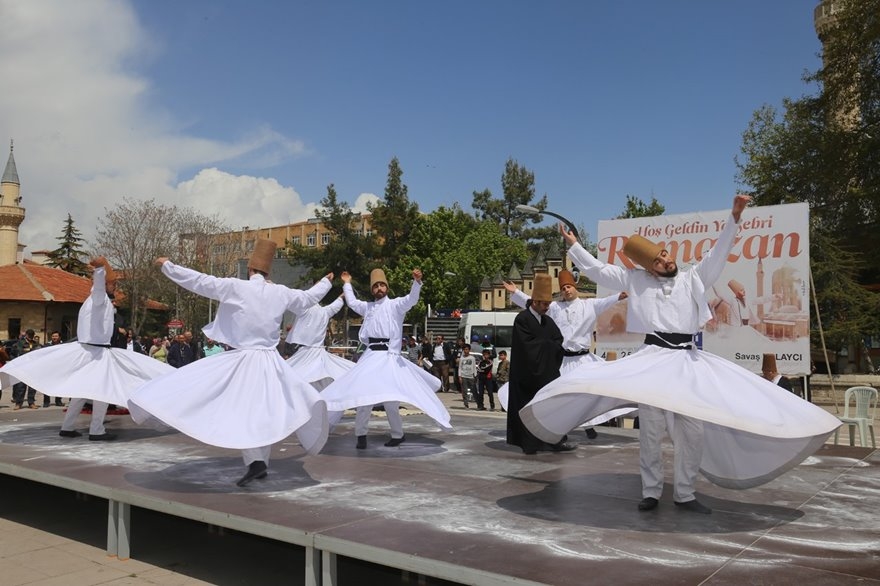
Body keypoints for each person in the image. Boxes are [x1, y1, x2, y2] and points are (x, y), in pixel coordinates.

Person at [520, 195, 840, 514]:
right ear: (649, 268)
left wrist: (735, 216)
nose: (665, 261)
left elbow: (719, 253)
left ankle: (685, 493)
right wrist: (574, 246)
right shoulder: (636, 280)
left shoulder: (692, 278)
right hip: (654, 361)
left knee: (692, 431)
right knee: (651, 431)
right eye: (657, 261)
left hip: (687, 361)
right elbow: (600, 271)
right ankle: (650, 491)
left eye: (664, 256)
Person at [128, 240, 333, 487]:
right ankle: (259, 462)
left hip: (245, 359)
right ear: (269, 271)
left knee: (238, 407)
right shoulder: (280, 292)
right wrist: (327, 282)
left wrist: (167, 266)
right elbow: (308, 298)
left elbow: (199, 281)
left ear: (250, 270)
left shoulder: (237, 287)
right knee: (264, 409)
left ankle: (256, 462)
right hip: (270, 361)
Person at [0, 257, 172, 440]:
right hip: (96, 353)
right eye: (113, 284)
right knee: (103, 389)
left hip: (92, 350)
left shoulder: (99, 300)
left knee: (82, 391)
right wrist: (99, 270)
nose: (115, 287)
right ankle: (96, 430)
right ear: (105, 283)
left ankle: (67, 427)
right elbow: (98, 287)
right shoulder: (98, 298)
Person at [320, 268, 452, 449]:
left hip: (389, 357)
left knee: (391, 400)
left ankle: (398, 435)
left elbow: (412, 299)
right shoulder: (368, 308)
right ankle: (361, 435)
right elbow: (351, 302)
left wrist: (417, 282)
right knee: (364, 397)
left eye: (382, 285)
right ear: (372, 290)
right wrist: (347, 283)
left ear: (387, 287)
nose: (379, 288)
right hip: (370, 356)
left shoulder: (396, 305)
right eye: (376, 286)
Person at [505, 271, 629, 437]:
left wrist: (619, 296)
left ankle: (588, 425)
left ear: (575, 287)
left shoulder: (589, 305)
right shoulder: (555, 308)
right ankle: (558, 429)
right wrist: (516, 292)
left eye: (569, 287)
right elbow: (533, 302)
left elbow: (606, 301)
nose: (567, 290)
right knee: (558, 396)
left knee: (587, 393)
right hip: (561, 360)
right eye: (563, 288)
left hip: (583, 360)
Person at [506, 273, 575, 455]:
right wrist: (547, 345)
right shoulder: (522, 319)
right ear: (535, 302)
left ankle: (555, 441)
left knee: (552, 409)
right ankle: (528, 443)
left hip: (545, 374)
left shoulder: (548, 321)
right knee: (528, 410)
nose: (547, 308)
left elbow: (558, 340)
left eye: (548, 304)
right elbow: (527, 347)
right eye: (544, 304)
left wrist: (548, 346)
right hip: (526, 376)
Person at [285, 293, 354, 392]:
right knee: (321, 377)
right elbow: (334, 307)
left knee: (297, 376)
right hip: (316, 352)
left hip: (307, 351)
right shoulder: (324, 311)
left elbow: (287, 298)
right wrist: (341, 297)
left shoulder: (304, 308)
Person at [11, 329, 41, 409]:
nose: (30, 337)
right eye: (29, 335)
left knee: (32, 387)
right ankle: (18, 403)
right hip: (22, 369)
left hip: (33, 369)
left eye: (32, 335)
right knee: (20, 387)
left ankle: (31, 403)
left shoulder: (36, 344)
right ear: (26, 335)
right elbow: (12, 354)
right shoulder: (19, 344)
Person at [41, 331, 65, 408]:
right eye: (53, 336)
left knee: (59, 385)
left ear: (59, 337)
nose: (54, 337)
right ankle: (46, 401)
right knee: (47, 385)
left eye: (56, 336)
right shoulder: (46, 345)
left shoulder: (63, 345)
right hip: (48, 368)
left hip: (59, 368)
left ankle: (58, 401)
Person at [457, 343, 477, 409]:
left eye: (467, 349)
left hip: (471, 376)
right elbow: (460, 367)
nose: (466, 351)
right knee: (464, 391)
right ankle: (466, 404)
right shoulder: (461, 358)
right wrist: (459, 376)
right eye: (464, 349)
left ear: (469, 350)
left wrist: (475, 375)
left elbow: (474, 367)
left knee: (474, 390)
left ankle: (479, 403)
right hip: (463, 376)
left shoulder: (472, 358)